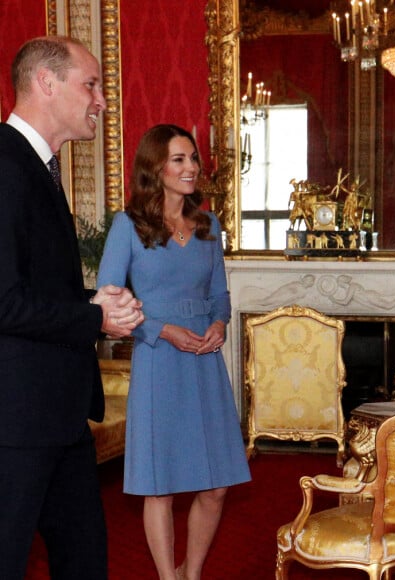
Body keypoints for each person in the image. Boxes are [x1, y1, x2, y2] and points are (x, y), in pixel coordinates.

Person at [0, 36, 144, 579]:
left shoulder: (40, 167)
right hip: (16, 420)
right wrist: (95, 318)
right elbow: (4, 303)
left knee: (85, 559)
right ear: (45, 82)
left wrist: (92, 299)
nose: (102, 100)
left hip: (57, 415)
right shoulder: (5, 165)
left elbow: (34, 287)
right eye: (91, 84)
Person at [96, 124, 251, 580]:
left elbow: (220, 295)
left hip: (205, 361)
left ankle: (192, 571)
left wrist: (220, 324)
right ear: (155, 167)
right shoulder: (128, 225)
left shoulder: (208, 225)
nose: (190, 168)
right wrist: (163, 331)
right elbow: (108, 300)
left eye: (193, 159)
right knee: (159, 487)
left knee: (217, 484)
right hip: (158, 360)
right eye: (178, 159)